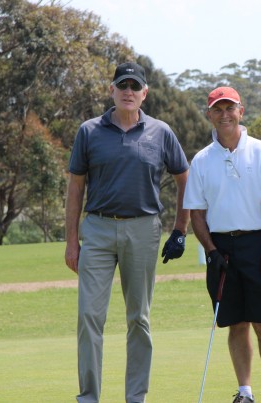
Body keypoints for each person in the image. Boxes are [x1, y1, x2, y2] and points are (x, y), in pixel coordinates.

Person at [64, 62, 190, 403]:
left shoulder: (161, 132)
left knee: (139, 319)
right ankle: (89, 397)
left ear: (144, 93)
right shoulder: (89, 131)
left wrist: (180, 228)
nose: (129, 91)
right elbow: (75, 187)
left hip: (143, 228)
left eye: (135, 86)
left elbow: (185, 179)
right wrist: (72, 240)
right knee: (89, 316)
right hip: (99, 230)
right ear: (112, 90)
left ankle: (136, 398)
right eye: (123, 85)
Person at [184, 87, 261, 403]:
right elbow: (197, 214)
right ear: (210, 115)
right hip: (221, 248)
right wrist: (212, 252)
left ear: (241, 111)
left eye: (230, 108)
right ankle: (245, 392)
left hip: (258, 245)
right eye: (218, 109)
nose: (225, 114)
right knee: (236, 324)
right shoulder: (202, 160)